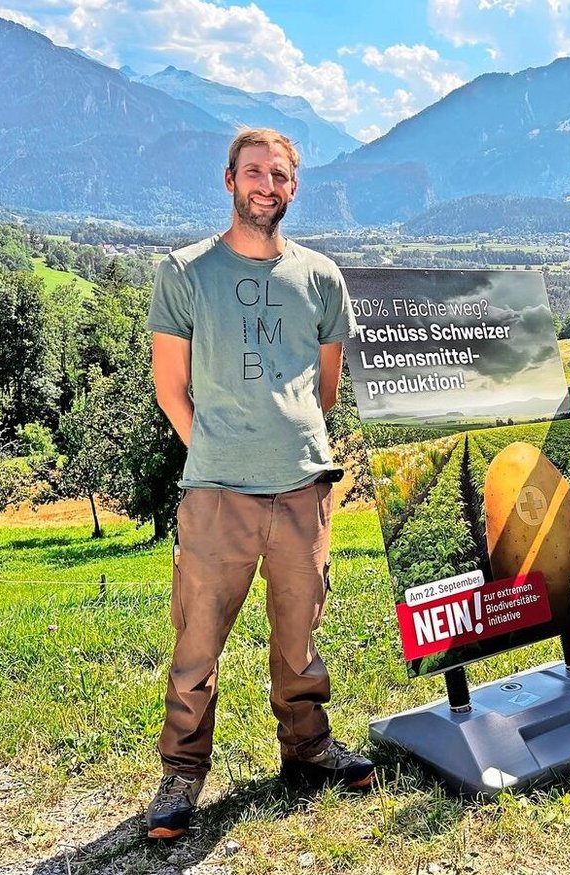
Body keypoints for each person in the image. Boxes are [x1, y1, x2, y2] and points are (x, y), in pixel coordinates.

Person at [143, 128, 370, 840]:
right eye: (253, 172)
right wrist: (217, 452)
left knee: (299, 639)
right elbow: (169, 388)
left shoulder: (322, 278)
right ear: (229, 179)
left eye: (278, 174)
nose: (265, 184)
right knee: (196, 644)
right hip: (216, 494)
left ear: (293, 188)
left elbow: (324, 389)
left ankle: (307, 751)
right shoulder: (184, 272)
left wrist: (286, 451)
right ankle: (181, 774)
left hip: (303, 491)